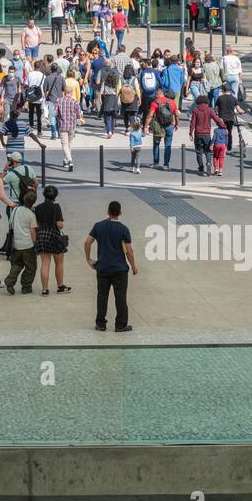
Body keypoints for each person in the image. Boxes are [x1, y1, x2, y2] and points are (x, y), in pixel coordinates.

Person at [86, 200, 138, 332]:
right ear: (120, 213)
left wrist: (89, 260)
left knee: (102, 296)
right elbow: (129, 251)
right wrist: (133, 266)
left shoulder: (98, 226)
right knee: (120, 296)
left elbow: (87, 242)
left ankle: (100, 324)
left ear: (108, 212)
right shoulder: (123, 229)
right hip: (119, 269)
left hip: (102, 268)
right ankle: (120, 324)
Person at [35, 184, 71, 295]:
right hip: (54, 236)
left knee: (45, 263)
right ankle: (60, 287)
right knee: (59, 263)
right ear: (55, 195)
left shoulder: (38, 207)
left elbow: (36, 223)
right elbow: (59, 225)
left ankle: (45, 289)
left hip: (41, 235)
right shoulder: (56, 206)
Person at [4, 189, 39, 295]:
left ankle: (10, 280)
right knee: (31, 267)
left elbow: (11, 224)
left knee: (17, 264)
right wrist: (35, 243)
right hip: (28, 245)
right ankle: (26, 287)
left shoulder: (15, 210)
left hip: (16, 244)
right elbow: (33, 232)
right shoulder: (31, 215)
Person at [145, 92, 180, 169]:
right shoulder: (171, 102)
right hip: (169, 125)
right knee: (168, 145)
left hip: (158, 126)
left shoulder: (155, 103)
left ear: (157, 95)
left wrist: (145, 126)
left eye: (155, 95)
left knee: (156, 144)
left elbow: (150, 115)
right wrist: (177, 124)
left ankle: (156, 163)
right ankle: (166, 165)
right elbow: (177, 115)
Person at [189, 96, 223, 176]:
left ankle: (201, 167)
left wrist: (190, 133)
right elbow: (216, 119)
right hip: (207, 133)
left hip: (198, 133)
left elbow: (193, 123)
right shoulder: (210, 110)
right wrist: (222, 126)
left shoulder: (196, 110)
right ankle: (208, 162)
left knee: (198, 152)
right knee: (208, 151)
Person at [55, 85, 81, 172]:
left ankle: (69, 160)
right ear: (72, 92)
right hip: (72, 125)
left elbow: (55, 113)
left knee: (64, 144)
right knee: (70, 143)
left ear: (64, 92)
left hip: (62, 125)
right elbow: (78, 114)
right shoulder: (75, 101)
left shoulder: (59, 100)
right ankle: (66, 160)